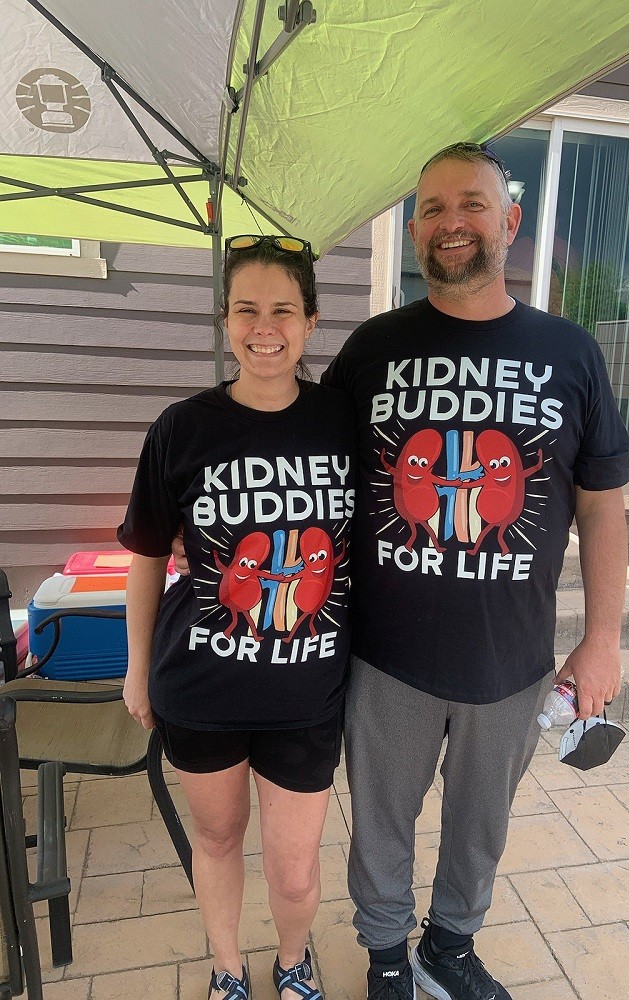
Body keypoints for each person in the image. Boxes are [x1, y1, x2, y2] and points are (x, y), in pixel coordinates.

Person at [319, 142, 629, 1000]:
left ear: (510, 222)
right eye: (432, 208)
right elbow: (309, 468)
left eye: (472, 204)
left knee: (479, 826)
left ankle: (448, 948)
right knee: (380, 821)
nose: (451, 222)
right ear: (415, 227)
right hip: (388, 655)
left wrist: (602, 640)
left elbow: (602, 504)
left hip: (512, 658)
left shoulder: (570, 352)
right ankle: (388, 955)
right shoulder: (372, 350)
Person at [118, 235, 356, 1000]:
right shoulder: (181, 429)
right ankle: (227, 968)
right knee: (217, 840)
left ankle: (293, 961)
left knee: (294, 865)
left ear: (311, 321)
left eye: (282, 309)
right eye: (247, 309)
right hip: (201, 687)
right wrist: (135, 667)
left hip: (307, 694)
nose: (265, 327)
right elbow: (149, 557)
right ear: (225, 322)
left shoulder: (345, 425)